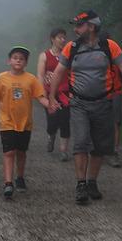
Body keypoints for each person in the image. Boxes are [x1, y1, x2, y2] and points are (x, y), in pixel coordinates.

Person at [48, 10, 122, 204]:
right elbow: (58, 72)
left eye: (79, 25)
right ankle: (81, 184)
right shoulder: (71, 48)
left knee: (99, 146)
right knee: (80, 142)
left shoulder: (109, 46)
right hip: (78, 103)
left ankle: (92, 182)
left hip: (103, 102)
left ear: (91, 26)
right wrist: (52, 97)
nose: (75, 29)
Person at [0, 46, 53, 198]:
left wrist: (51, 105)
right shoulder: (1, 78)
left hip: (25, 123)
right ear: (9, 61)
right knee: (9, 152)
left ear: (26, 63)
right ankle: (8, 183)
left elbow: (40, 97)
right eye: (15, 58)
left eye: (22, 59)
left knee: (21, 152)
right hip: (7, 121)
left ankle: (20, 177)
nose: (18, 60)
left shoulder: (31, 79)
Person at [36, 27, 71, 161]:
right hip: (49, 92)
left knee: (65, 120)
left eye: (64, 37)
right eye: (60, 37)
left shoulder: (68, 55)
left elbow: (73, 72)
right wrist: (42, 94)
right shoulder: (44, 55)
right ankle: (51, 136)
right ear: (52, 39)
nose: (63, 40)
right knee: (52, 120)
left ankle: (63, 150)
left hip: (65, 93)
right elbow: (40, 75)